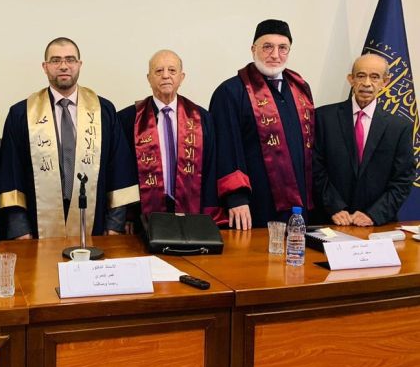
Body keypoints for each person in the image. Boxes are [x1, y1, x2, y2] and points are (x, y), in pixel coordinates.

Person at [0, 37, 139, 239]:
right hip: (36, 226)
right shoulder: (21, 114)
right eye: (55, 60)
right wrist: (20, 230)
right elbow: (12, 174)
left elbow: (119, 169)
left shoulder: (103, 111)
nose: (63, 66)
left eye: (70, 59)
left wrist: (114, 225)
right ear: (45, 67)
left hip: (94, 221)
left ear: (79, 64)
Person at [209, 19, 314, 229]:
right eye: (267, 47)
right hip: (254, 204)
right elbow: (226, 149)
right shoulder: (231, 92)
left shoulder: (300, 90)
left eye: (282, 48)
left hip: (299, 205)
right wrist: (236, 198)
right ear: (253, 49)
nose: (275, 55)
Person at [118, 50, 223, 231]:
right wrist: (127, 215)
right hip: (142, 215)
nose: (166, 76)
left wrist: (209, 214)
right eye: (159, 71)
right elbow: (122, 171)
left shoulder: (201, 118)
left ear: (182, 77)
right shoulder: (128, 119)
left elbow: (210, 168)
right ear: (149, 78)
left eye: (172, 70)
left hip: (193, 212)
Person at [313, 54, 413, 226]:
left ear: (385, 82)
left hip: (377, 224)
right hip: (330, 220)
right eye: (361, 76)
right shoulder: (323, 118)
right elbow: (315, 169)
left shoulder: (400, 127)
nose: (367, 83)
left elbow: (403, 180)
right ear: (351, 79)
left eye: (375, 77)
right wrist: (335, 207)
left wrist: (373, 215)